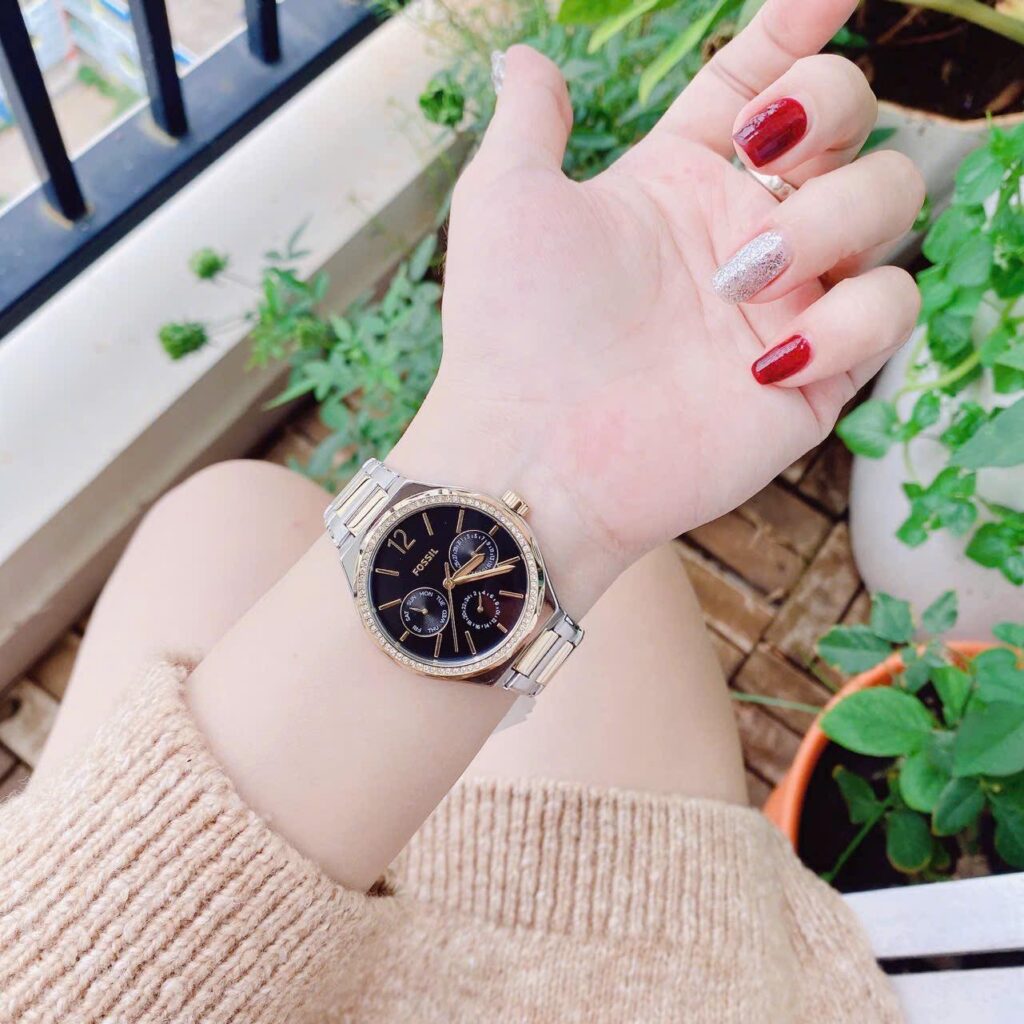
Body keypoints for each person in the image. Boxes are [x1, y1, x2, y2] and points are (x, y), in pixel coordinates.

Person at [0, 0, 924, 1019]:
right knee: (615, 599)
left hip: (183, 947)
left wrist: (523, 438)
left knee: (224, 514)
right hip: (628, 973)